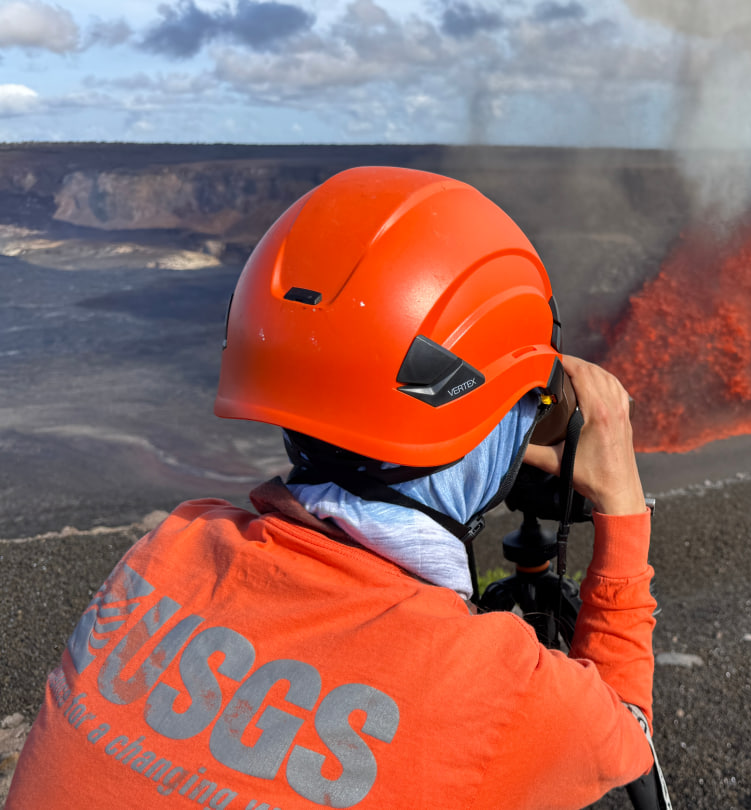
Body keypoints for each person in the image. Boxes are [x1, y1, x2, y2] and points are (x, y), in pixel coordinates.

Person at [6, 167, 660, 809]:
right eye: (526, 403)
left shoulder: (168, 552)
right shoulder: (493, 690)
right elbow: (627, 733)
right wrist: (623, 505)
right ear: (476, 405)